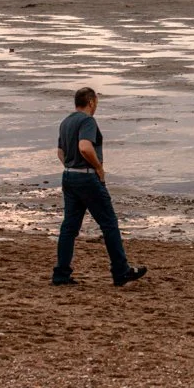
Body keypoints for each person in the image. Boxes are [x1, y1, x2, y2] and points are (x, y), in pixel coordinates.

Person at [51, 87, 147, 287]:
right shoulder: (87, 121)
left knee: (69, 228)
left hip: (69, 177)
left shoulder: (66, 122)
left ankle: (61, 275)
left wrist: (71, 167)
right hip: (87, 178)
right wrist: (98, 168)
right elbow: (85, 147)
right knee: (109, 223)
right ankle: (121, 271)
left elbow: (60, 152)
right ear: (91, 102)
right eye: (96, 103)